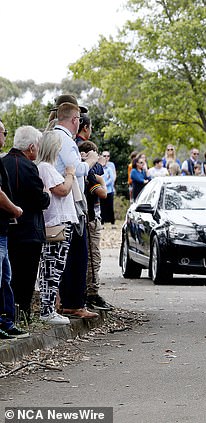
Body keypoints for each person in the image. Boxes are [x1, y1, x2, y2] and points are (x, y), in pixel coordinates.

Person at [53, 100, 99, 319]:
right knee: (76, 255)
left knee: (63, 254)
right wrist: (90, 160)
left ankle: (64, 300)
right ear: (75, 120)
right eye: (79, 119)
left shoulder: (52, 136)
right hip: (70, 204)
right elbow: (76, 169)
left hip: (60, 204)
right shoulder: (66, 140)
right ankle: (74, 303)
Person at [2, 126, 50, 324]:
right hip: (28, 230)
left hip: (7, 229)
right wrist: (46, 195)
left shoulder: (3, 162)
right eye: (37, 147)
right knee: (26, 277)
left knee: (8, 277)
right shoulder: (29, 167)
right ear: (31, 147)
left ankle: (8, 314)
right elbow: (40, 199)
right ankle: (23, 314)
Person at [36, 131, 77, 325]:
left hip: (56, 223)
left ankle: (49, 307)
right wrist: (69, 174)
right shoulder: (46, 168)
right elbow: (62, 189)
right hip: (56, 224)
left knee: (52, 267)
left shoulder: (45, 168)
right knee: (53, 266)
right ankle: (47, 309)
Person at [0, 119, 27, 339]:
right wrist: (15, 209)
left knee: (6, 278)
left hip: (3, 230)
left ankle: (6, 321)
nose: (5, 136)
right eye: (3, 132)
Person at [78, 141, 112, 311]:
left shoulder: (88, 171)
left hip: (91, 218)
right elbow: (102, 192)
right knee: (93, 258)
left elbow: (100, 170)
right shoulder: (89, 175)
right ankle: (91, 293)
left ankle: (89, 291)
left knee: (91, 257)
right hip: (90, 219)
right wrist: (100, 180)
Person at [100, 150, 116, 224]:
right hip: (101, 189)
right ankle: (102, 221)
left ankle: (112, 222)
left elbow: (112, 177)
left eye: (108, 156)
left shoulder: (110, 166)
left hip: (109, 189)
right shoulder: (99, 166)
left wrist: (104, 184)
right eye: (104, 156)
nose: (106, 157)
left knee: (110, 206)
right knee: (102, 206)